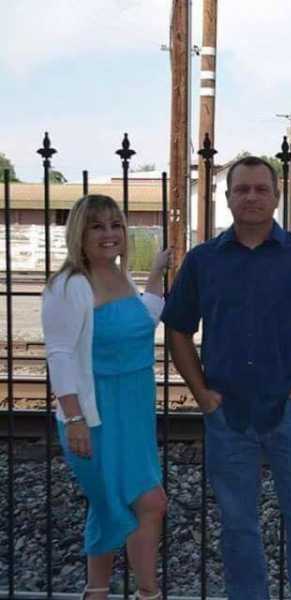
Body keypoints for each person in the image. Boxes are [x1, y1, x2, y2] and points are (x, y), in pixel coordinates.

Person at [162, 156, 291, 600]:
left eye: (260, 189)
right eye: (241, 189)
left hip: (289, 412)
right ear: (227, 197)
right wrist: (203, 396)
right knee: (238, 527)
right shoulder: (203, 261)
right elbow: (177, 331)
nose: (251, 197)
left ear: (276, 196)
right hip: (227, 414)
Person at [42, 194, 170, 600]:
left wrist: (153, 279)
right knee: (144, 503)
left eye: (115, 225)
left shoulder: (121, 276)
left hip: (133, 410)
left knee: (119, 506)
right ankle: (147, 593)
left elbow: (138, 324)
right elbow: (59, 354)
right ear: (79, 232)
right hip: (95, 418)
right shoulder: (69, 285)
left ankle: (98, 592)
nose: (110, 234)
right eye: (98, 226)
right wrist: (75, 418)